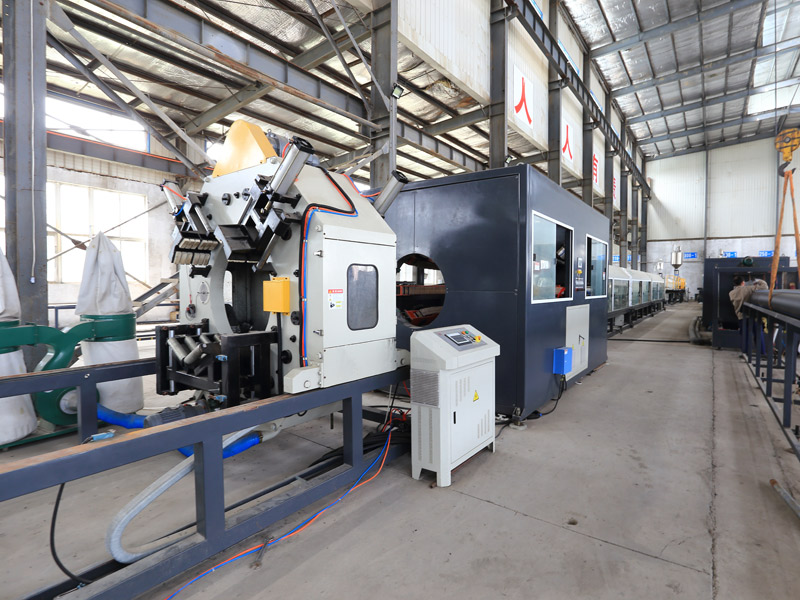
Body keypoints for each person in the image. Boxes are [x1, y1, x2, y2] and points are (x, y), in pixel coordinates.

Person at [729, 276, 768, 353]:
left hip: (741, 317)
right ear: (743, 282)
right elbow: (764, 287)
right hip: (753, 316)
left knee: (745, 336)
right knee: (758, 335)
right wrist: (757, 280)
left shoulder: (731, 293)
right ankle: (762, 353)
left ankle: (745, 353)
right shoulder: (749, 288)